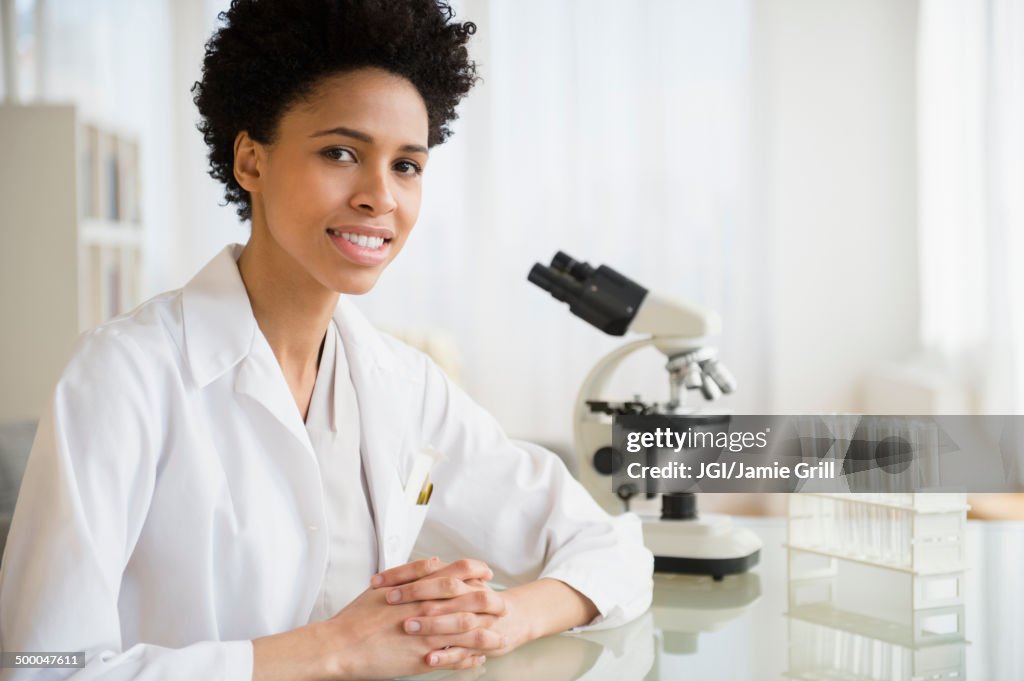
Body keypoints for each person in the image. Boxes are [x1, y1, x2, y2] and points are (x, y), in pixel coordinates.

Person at [0, 1, 653, 679]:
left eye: (407, 165)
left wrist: (501, 618)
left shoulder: (403, 383)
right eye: (341, 152)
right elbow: (38, 663)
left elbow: (613, 550)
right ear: (250, 161)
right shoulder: (125, 375)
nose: (381, 197)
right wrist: (334, 649)